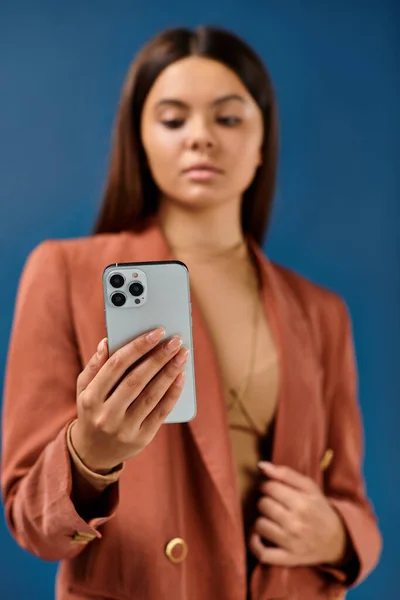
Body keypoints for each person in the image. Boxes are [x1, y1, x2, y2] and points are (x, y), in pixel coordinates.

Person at [1, 25, 382, 600]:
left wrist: (338, 536)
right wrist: (90, 457)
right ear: (140, 139)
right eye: (173, 119)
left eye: (228, 118)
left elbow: (352, 499)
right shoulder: (63, 273)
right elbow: (32, 524)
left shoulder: (321, 312)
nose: (201, 137)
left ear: (262, 142)